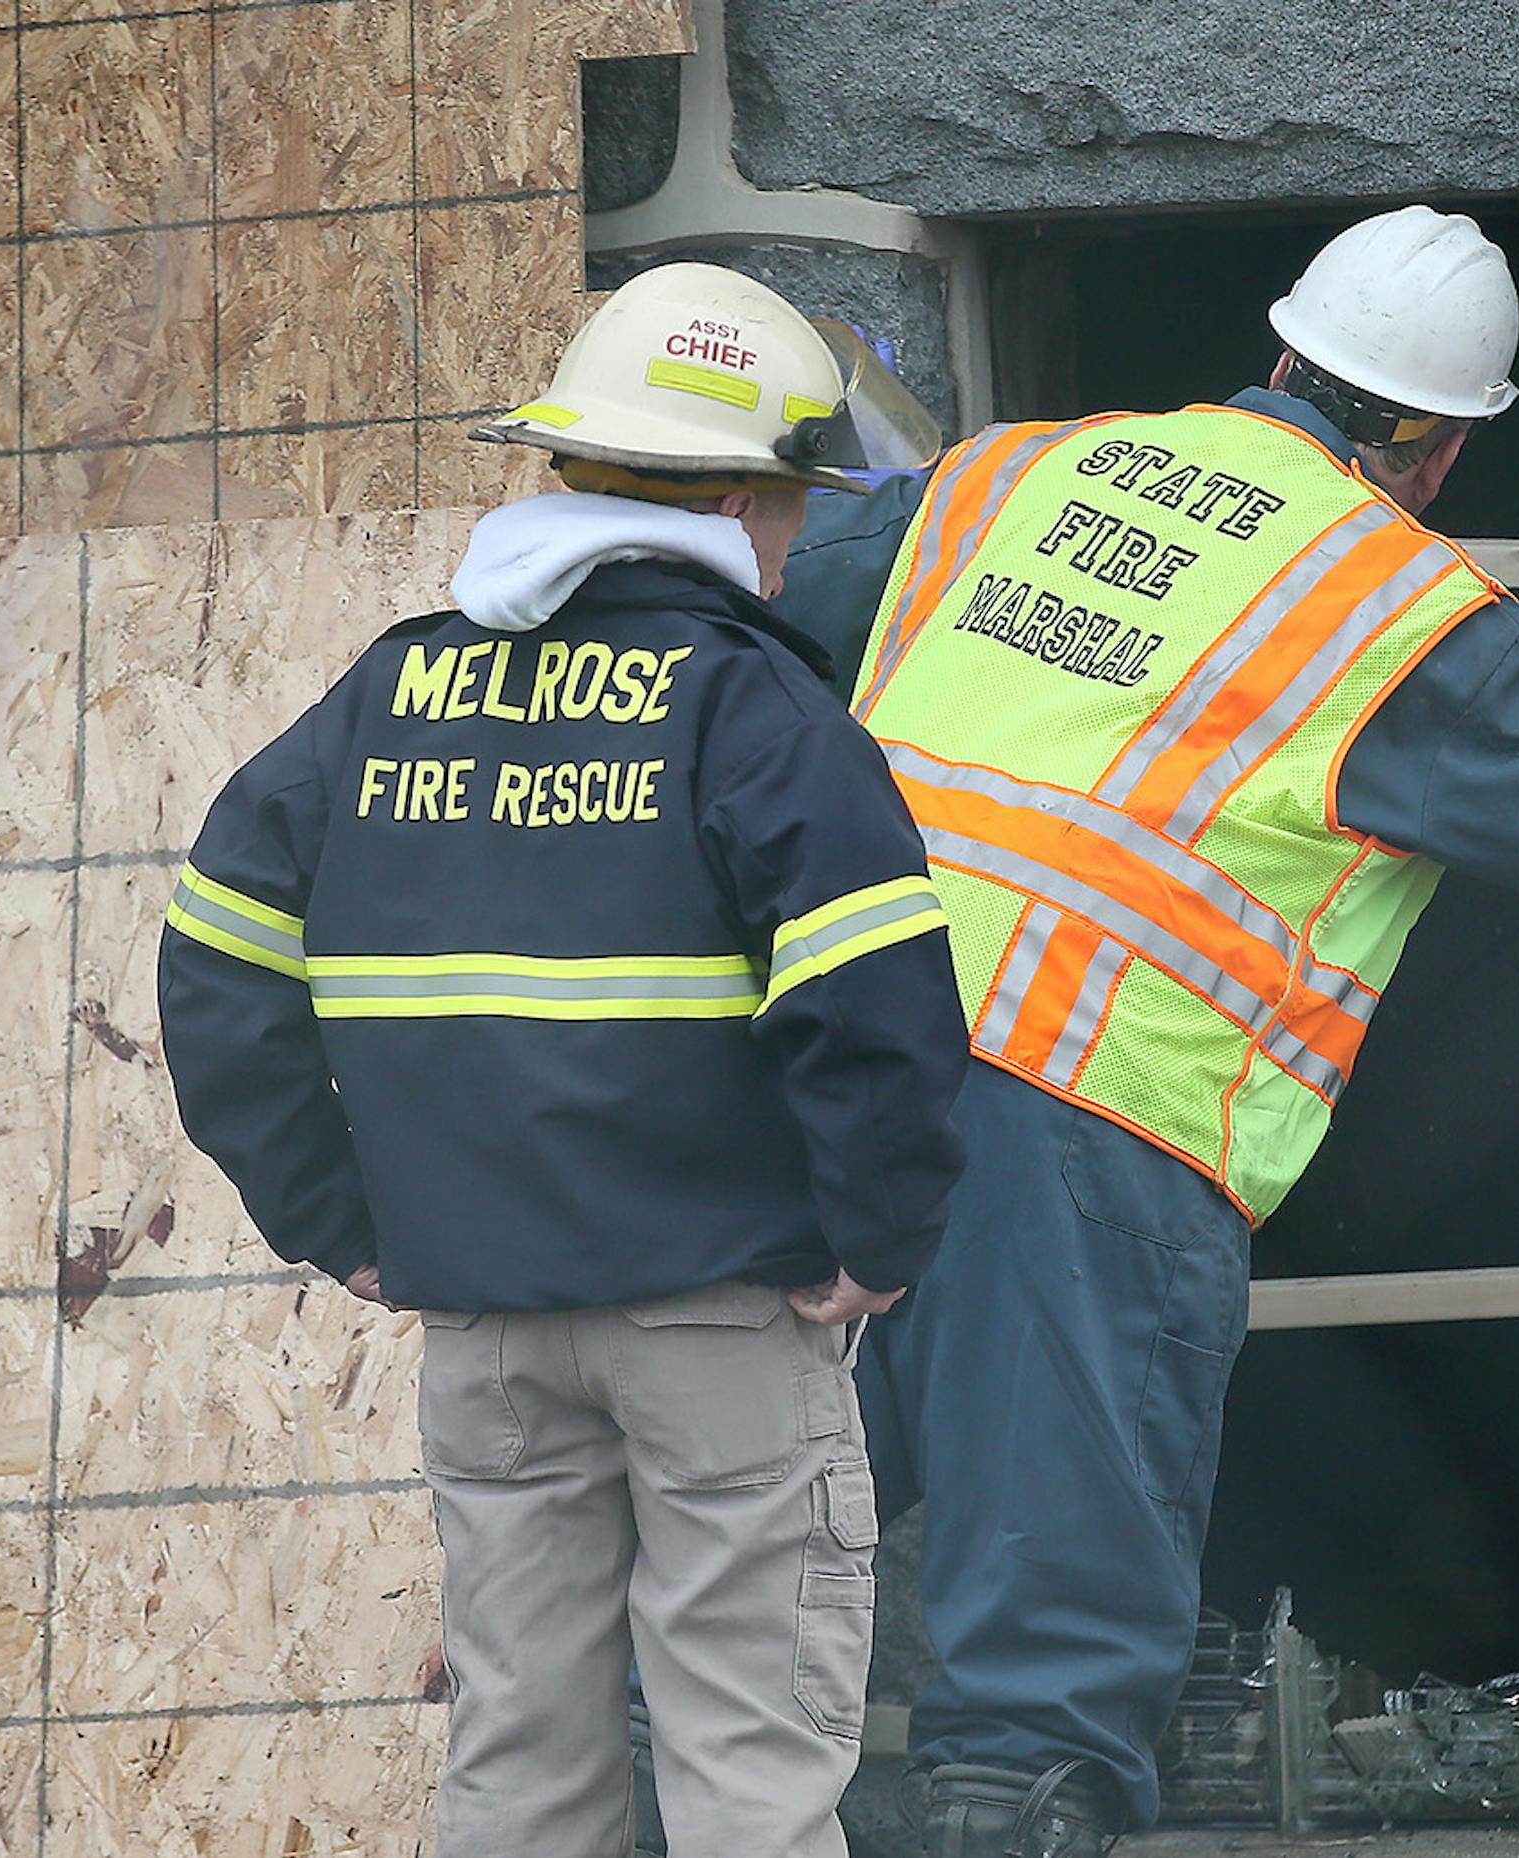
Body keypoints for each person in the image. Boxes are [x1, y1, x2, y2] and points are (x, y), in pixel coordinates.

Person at [769, 205, 1519, 1855]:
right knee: (1036, 1715)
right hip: (1082, 1133)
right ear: (1438, 448)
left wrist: (850, 461)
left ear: (1280, 352)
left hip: (815, 1088)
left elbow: (780, 578)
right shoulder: (1404, 613)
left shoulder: (1011, 476)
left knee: (719, 1592)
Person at [157, 262, 971, 1858]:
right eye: (795, 503)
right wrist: (880, 1238)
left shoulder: (385, 694)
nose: (798, 539)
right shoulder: (759, 712)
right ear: (742, 502)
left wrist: (348, 1221)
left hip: (485, 1330)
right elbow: (879, 1010)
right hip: (726, 1321)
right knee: (747, 1758)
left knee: (523, 1763)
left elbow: (213, 972)